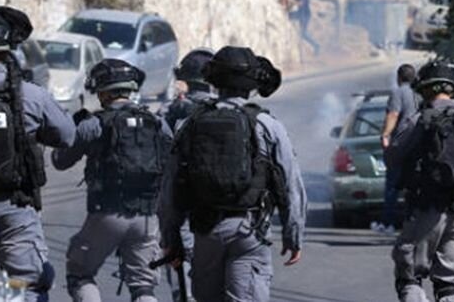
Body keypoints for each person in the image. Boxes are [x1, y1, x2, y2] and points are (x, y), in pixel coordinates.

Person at [159, 46, 307, 302]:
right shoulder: (267, 125)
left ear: (214, 80)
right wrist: (293, 235)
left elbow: (171, 185)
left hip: (205, 232)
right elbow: (290, 183)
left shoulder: (191, 123)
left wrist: (170, 236)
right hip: (249, 231)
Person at [0, 6, 76, 302]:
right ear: (8, 50)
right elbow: (67, 136)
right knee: (29, 285)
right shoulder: (30, 94)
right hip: (16, 207)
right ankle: (2, 298)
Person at [52, 59, 173, 301]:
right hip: (147, 216)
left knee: (80, 274)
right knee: (143, 285)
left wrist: (74, 127)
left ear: (103, 92)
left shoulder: (94, 124)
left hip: (106, 213)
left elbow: (60, 161)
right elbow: (172, 157)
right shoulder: (156, 122)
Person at [388, 60, 454, 302]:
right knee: (448, 284)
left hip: (426, 209)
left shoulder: (420, 120)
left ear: (426, 90)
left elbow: (393, 156)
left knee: (410, 276)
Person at [158, 48, 215, 302]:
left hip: (182, 203)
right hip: (223, 209)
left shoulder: (172, 111)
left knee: (184, 271)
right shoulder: (232, 112)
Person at [372, 63, 418, 234]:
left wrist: (385, 135)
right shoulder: (419, 93)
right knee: (414, 185)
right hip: (416, 143)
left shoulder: (398, 93)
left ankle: (387, 223)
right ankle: (413, 222)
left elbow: (393, 114)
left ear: (399, 77)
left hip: (400, 143)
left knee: (392, 185)